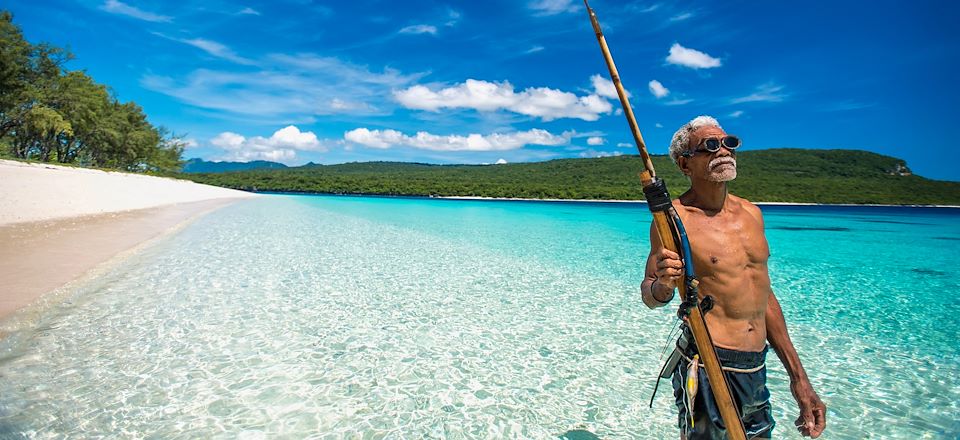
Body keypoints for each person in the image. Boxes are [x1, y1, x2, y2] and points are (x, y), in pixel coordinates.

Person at [641, 116, 826, 439]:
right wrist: (664, 284)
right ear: (686, 164)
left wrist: (799, 378)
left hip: (756, 365)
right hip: (709, 362)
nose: (723, 151)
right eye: (710, 146)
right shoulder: (671, 219)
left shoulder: (752, 214)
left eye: (730, 143)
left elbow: (763, 297)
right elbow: (650, 294)